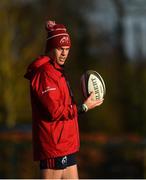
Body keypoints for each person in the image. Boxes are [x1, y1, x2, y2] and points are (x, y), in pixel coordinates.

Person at [24, 20, 104, 179]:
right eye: (60, 48)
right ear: (51, 48)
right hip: (54, 146)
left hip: (66, 144)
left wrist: (55, 28)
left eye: (67, 49)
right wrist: (83, 107)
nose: (64, 53)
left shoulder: (58, 71)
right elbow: (54, 111)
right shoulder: (45, 73)